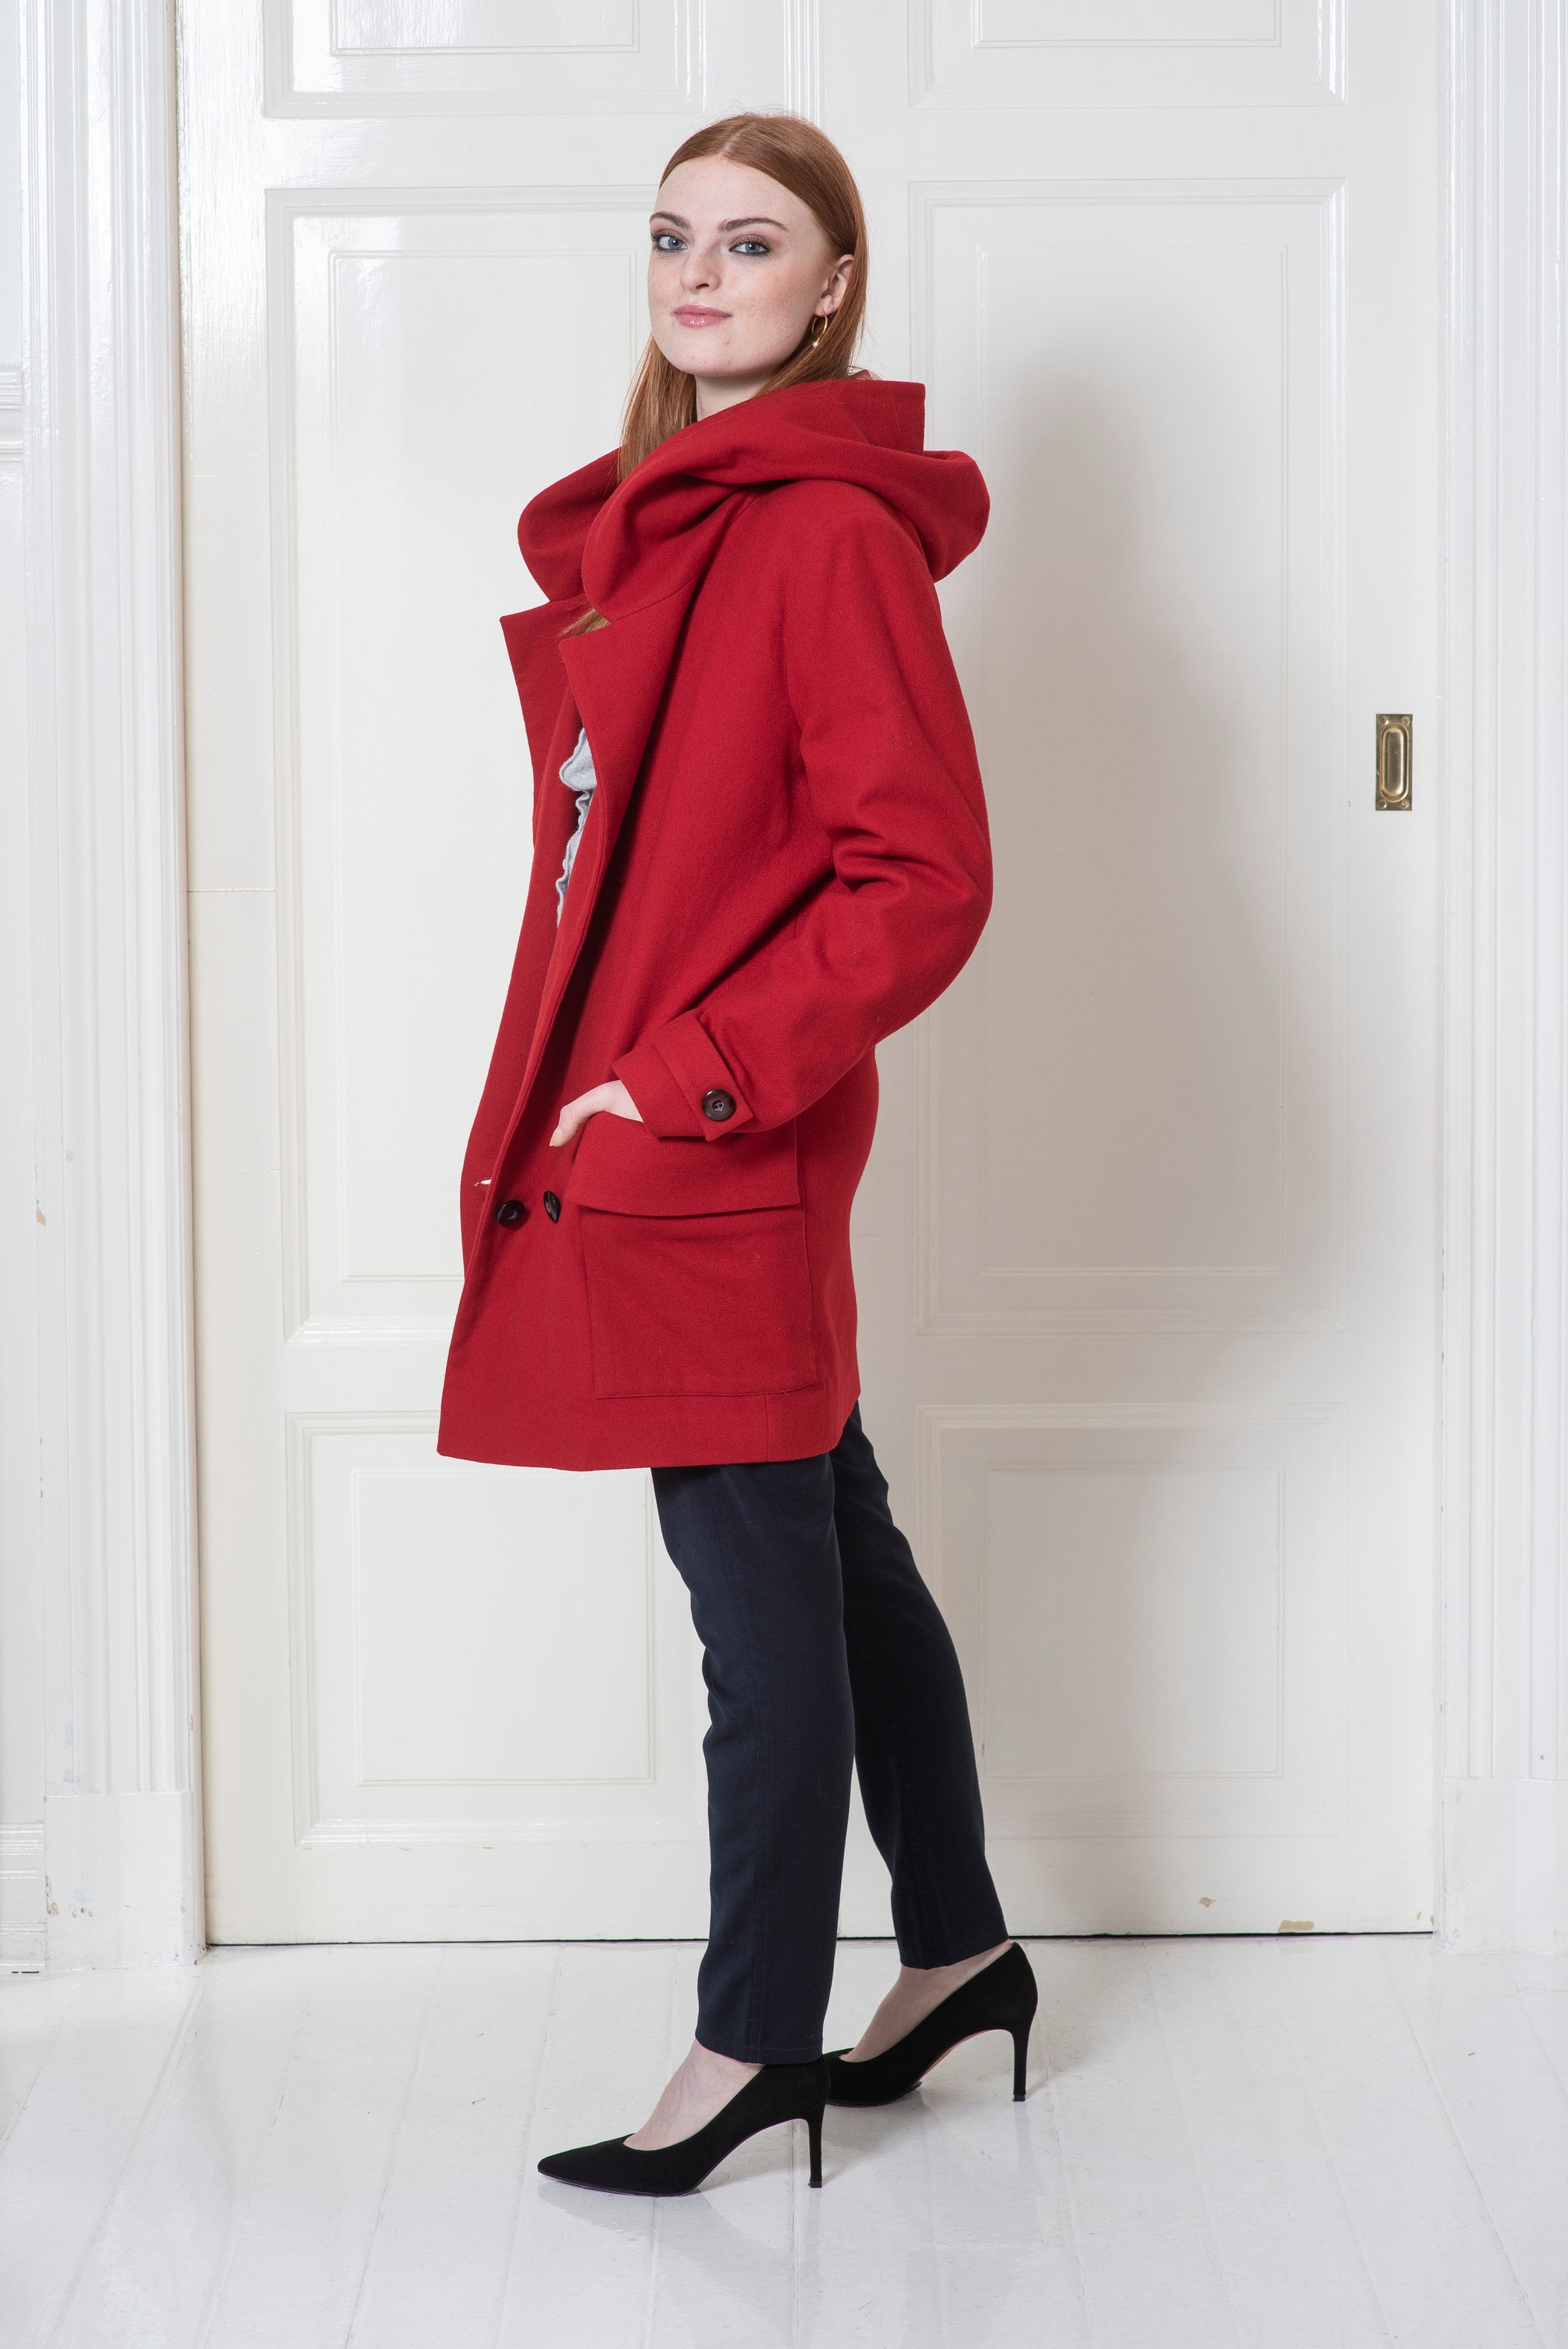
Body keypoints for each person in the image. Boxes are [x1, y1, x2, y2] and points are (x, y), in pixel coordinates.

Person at [437, 109, 1037, 2197]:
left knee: (758, 1619)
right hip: (661, 1132)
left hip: (714, 1140)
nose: (702, 275)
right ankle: (957, 1950)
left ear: (835, 284)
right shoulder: (671, 523)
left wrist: (683, 1079)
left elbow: (924, 880)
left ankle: (749, 2042)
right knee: (838, 1557)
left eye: (755, 243)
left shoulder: (819, 534)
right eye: (675, 235)